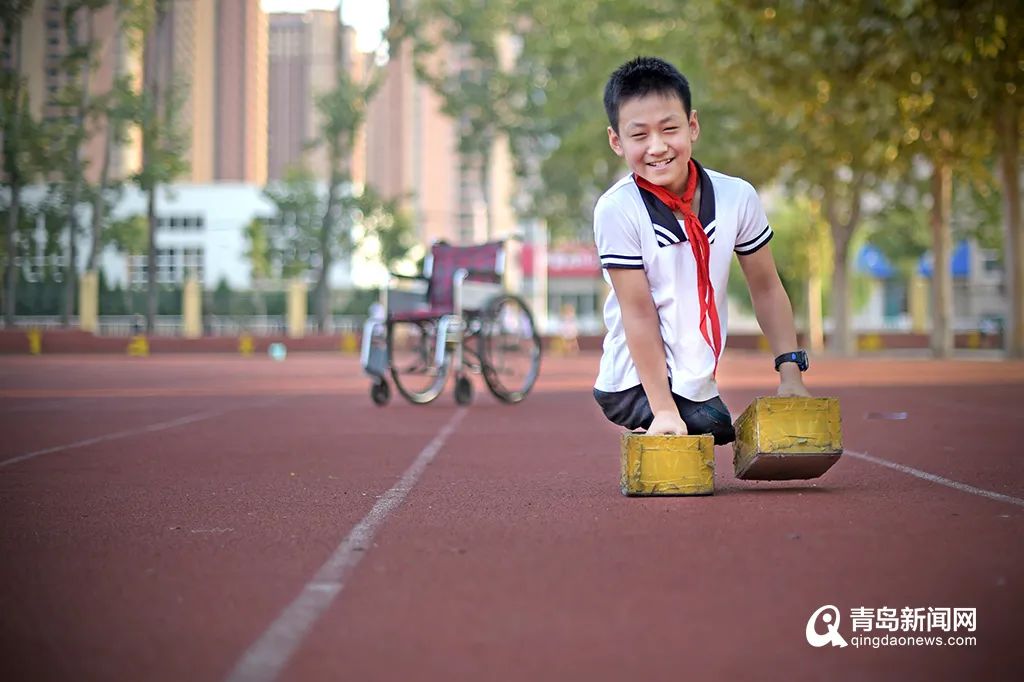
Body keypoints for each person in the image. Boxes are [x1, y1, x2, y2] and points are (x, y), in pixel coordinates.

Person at [592, 56, 810, 442]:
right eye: (639, 135)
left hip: (693, 378)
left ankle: (688, 408)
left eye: (669, 129)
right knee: (716, 427)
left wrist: (790, 374)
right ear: (616, 141)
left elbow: (766, 287)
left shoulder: (736, 197)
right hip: (632, 380)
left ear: (692, 126)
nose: (657, 147)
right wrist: (663, 409)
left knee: (718, 424)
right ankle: (668, 410)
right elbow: (638, 312)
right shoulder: (617, 208)